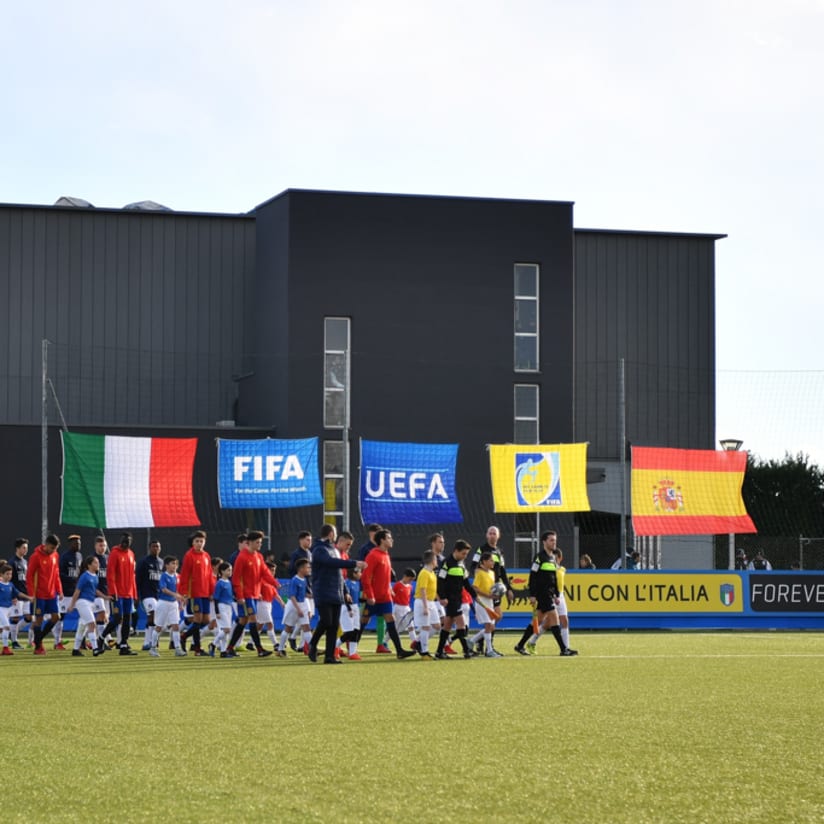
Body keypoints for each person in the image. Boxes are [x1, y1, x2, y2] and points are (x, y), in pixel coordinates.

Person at [308, 524, 365, 664]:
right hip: (323, 589)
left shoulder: (333, 549)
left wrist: (345, 591)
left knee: (333, 625)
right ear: (330, 534)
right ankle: (313, 644)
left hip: (336, 590)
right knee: (326, 621)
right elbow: (331, 562)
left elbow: (339, 573)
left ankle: (329, 656)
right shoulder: (319, 549)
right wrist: (354, 563)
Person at [514, 530, 577, 657]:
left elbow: (553, 578)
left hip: (549, 594)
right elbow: (533, 576)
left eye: (555, 540)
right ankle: (564, 649)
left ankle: (520, 645)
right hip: (542, 594)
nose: (554, 542)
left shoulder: (553, 558)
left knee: (537, 621)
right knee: (554, 619)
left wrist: (556, 594)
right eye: (551, 540)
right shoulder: (539, 557)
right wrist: (532, 594)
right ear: (544, 542)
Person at [360, 529, 417, 661]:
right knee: (363, 622)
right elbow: (365, 577)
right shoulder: (373, 555)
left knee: (391, 621)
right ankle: (351, 647)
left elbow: (383, 577)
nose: (392, 540)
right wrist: (369, 595)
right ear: (382, 540)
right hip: (374, 598)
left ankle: (399, 651)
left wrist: (389, 590)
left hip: (385, 597)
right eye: (389, 538)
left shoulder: (386, 555)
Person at [224, 530, 276, 658]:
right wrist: (240, 595)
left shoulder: (259, 556)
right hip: (246, 595)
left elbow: (264, 572)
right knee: (252, 619)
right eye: (257, 542)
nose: (260, 544)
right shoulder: (242, 557)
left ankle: (229, 649)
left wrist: (274, 582)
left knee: (243, 620)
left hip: (254, 594)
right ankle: (259, 649)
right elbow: (236, 579)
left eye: (260, 542)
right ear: (250, 542)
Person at [434, 539, 476, 659]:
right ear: (456, 551)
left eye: (466, 554)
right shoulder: (446, 563)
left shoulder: (462, 565)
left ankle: (439, 652)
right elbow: (440, 582)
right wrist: (442, 597)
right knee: (461, 625)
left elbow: (466, 583)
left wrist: (474, 595)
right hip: (450, 599)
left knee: (447, 626)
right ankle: (467, 651)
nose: (465, 556)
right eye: (463, 553)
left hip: (458, 598)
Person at [101, 532, 138, 656]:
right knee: (117, 618)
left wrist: (134, 593)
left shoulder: (132, 554)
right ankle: (101, 637)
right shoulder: (114, 553)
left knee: (127, 620)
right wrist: (113, 591)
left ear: (131, 541)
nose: (125, 542)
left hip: (128, 594)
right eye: (123, 540)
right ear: (120, 540)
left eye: (127, 540)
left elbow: (133, 576)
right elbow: (110, 574)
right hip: (118, 593)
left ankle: (123, 645)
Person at [26, 533, 62, 655]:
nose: (53, 550)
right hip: (39, 594)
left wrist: (60, 590)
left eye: (55, 549)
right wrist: (31, 594)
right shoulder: (35, 556)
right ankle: (38, 647)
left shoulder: (55, 555)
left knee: (56, 617)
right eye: (52, 548)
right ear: (46, 545)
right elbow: (29, 576)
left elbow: (56, 574)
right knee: (39, 620)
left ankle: (38, 639)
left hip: (51, 594)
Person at [179, 530, 213, 656]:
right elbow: (185, 575)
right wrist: (184, 592)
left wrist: (211, 591)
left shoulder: (206, 556)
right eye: (197, 541)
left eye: (201, 541)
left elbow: (209, 575)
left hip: (205, 592)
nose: (199, 543)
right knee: (198, 619)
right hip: (194, 593)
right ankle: (197, 648)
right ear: (192, 543)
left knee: (206, 620)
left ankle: (184, 636)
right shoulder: (189, 556)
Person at [66, 556, 106, 657]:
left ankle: (75, 650)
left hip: (90, 603)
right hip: (82, 602)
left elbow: (95, 591)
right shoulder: (84, 576)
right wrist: (72, 605)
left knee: (82, 627)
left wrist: (106, 597)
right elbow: (77, 591)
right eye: (95, 563)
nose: (98, 565)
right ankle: (95, 648)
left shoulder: (95, 577)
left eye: (98, 563)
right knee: (92, 624)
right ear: (89, 565)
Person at [358, 523, 389, 652]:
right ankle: (353, 642)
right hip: (367, 590)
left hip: (381, 590)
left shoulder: (384, 550)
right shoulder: (366, 549)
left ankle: (380, 644)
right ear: (371, 534)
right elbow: (361, 569)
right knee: (365, 617)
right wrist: (365, 588)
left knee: (383, 617)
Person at [152, 556, 187, 657]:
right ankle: (153, 648)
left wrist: (181, 603)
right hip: (163, 603)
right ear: (166, 565)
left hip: (173, 604)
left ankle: (177, 649)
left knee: (175, 626)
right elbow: (163, 589)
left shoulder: (177, 577)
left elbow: (178, 591)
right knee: (159, 627)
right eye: (172, 563)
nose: (175, 566)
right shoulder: (164, 576)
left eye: (176, 564)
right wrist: (175, 595)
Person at [471, 551, 503, 657]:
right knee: (489, 624)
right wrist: (487, 595)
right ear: (484, 561)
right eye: (490, 560)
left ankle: (472, 640)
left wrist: (496, 594)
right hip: (482, 601)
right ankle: (489, 650)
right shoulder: (479, 573)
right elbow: (475, 588)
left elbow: (492, 588)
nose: (493, 562)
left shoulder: (492, 573)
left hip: (490, 602)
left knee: (491, 626)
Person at [279, 558, 313, 656]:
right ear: (301, 569)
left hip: (302, 604)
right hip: (293, 606)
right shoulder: (295, 580)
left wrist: (308, 607)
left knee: (306, 627)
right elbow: (292, 596)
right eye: (307, 567)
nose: (309, 569)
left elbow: (304, 595)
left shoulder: (305, 579)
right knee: (288, 628)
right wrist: (298, 609)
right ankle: (281, 649)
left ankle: (312, 648)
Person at [286, 531, 314, 650]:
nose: (309, 542)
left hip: (309, 588)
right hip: (301, 592)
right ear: (301, 540)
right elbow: (292, 570)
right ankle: (302, 644)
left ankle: (297, 640)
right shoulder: (297, 554)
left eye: (310, 540)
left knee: (308, 616)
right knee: (304, 618)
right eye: (307, 539)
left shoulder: (309, 553)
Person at [56, 533, 83, 650]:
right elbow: (60, 574)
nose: (78, 545)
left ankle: (82, 642)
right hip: (66, 592)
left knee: (83, 616)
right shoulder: (65, 557)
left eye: (79, 543)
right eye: (76, 543)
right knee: (61, 617)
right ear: (71, 544)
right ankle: (58, 641)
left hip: (76, 593)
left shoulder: (80, 556)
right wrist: (72, 579)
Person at [135, 539, 163, 651]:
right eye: (153, 546)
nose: (155, 548)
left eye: (157, 546)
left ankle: (152, 642)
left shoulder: (161, 562)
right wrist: (137, 594)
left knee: (156, 619)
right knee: (152, 614)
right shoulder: (143, 561)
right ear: (149, 548)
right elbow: (137, 579)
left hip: (158, 595)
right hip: (147, 594)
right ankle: (147, 642)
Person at [413, 549, 440, 659]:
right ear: (432, 560)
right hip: (422, 601)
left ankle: (418, 642)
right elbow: (423, 590)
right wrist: (425, 606)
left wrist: (438, 599)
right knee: (425, 627)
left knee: (437, 625)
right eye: (436, 559)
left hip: (431, 602)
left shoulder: (432, 573)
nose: (437, 561)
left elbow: (432, 589)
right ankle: (424, 652)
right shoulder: (424, 573)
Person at [0, 563, 31, 655]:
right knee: (7, 627)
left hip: (8, 609)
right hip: (1, 609)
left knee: (3, 629)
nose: (9, 576)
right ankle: (5, 648)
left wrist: (29, 598)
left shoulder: (10, 585)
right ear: (1, 574)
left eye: (10, 574)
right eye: (7, 574)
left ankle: (5, 647)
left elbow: (18, 593)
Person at [9, 538, 31, 649]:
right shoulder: (12, 562)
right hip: (17, 595)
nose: (25, 550)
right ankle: (14, 642)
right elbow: (9, 580)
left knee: (28, 617)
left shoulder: (25, 562)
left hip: (25, 594)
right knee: (15, 618)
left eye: (26, 548)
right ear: (17, 548)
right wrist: (13, 595)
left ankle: (12, 634)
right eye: (23, 547)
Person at [338, 565, 363, 660]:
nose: (361, 574)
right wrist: (349, 608)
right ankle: (334, 646)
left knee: (356, 631)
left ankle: (353, 653)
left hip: (355, 607)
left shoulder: (357, 583)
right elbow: (344, 597)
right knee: (349, 632)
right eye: (359, 572)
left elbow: (356, 597)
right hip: (347, 608)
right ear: (354, 573)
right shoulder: (346, 583)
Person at [392, 568, 419, 650]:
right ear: (405, 576)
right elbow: (392, 594)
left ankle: (414, 643)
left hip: (406, 608)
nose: (410, 581)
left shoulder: (410, 587)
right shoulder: (397, 585)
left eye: (412, 580)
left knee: (411, 625)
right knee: (396, 627)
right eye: (410, 579)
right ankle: (385, 641)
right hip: (398, 607)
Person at [212, 561, 234, 656]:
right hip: (222, 607)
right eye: (228, 570)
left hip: (229, 607)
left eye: (231, 570)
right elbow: (216, 598)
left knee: (225, 631)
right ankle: (213, 644)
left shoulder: (229, 582)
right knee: (227, 629)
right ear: (222, 571)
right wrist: (217, 612)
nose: (230, 572)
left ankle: (223, 651)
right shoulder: (219, 583)